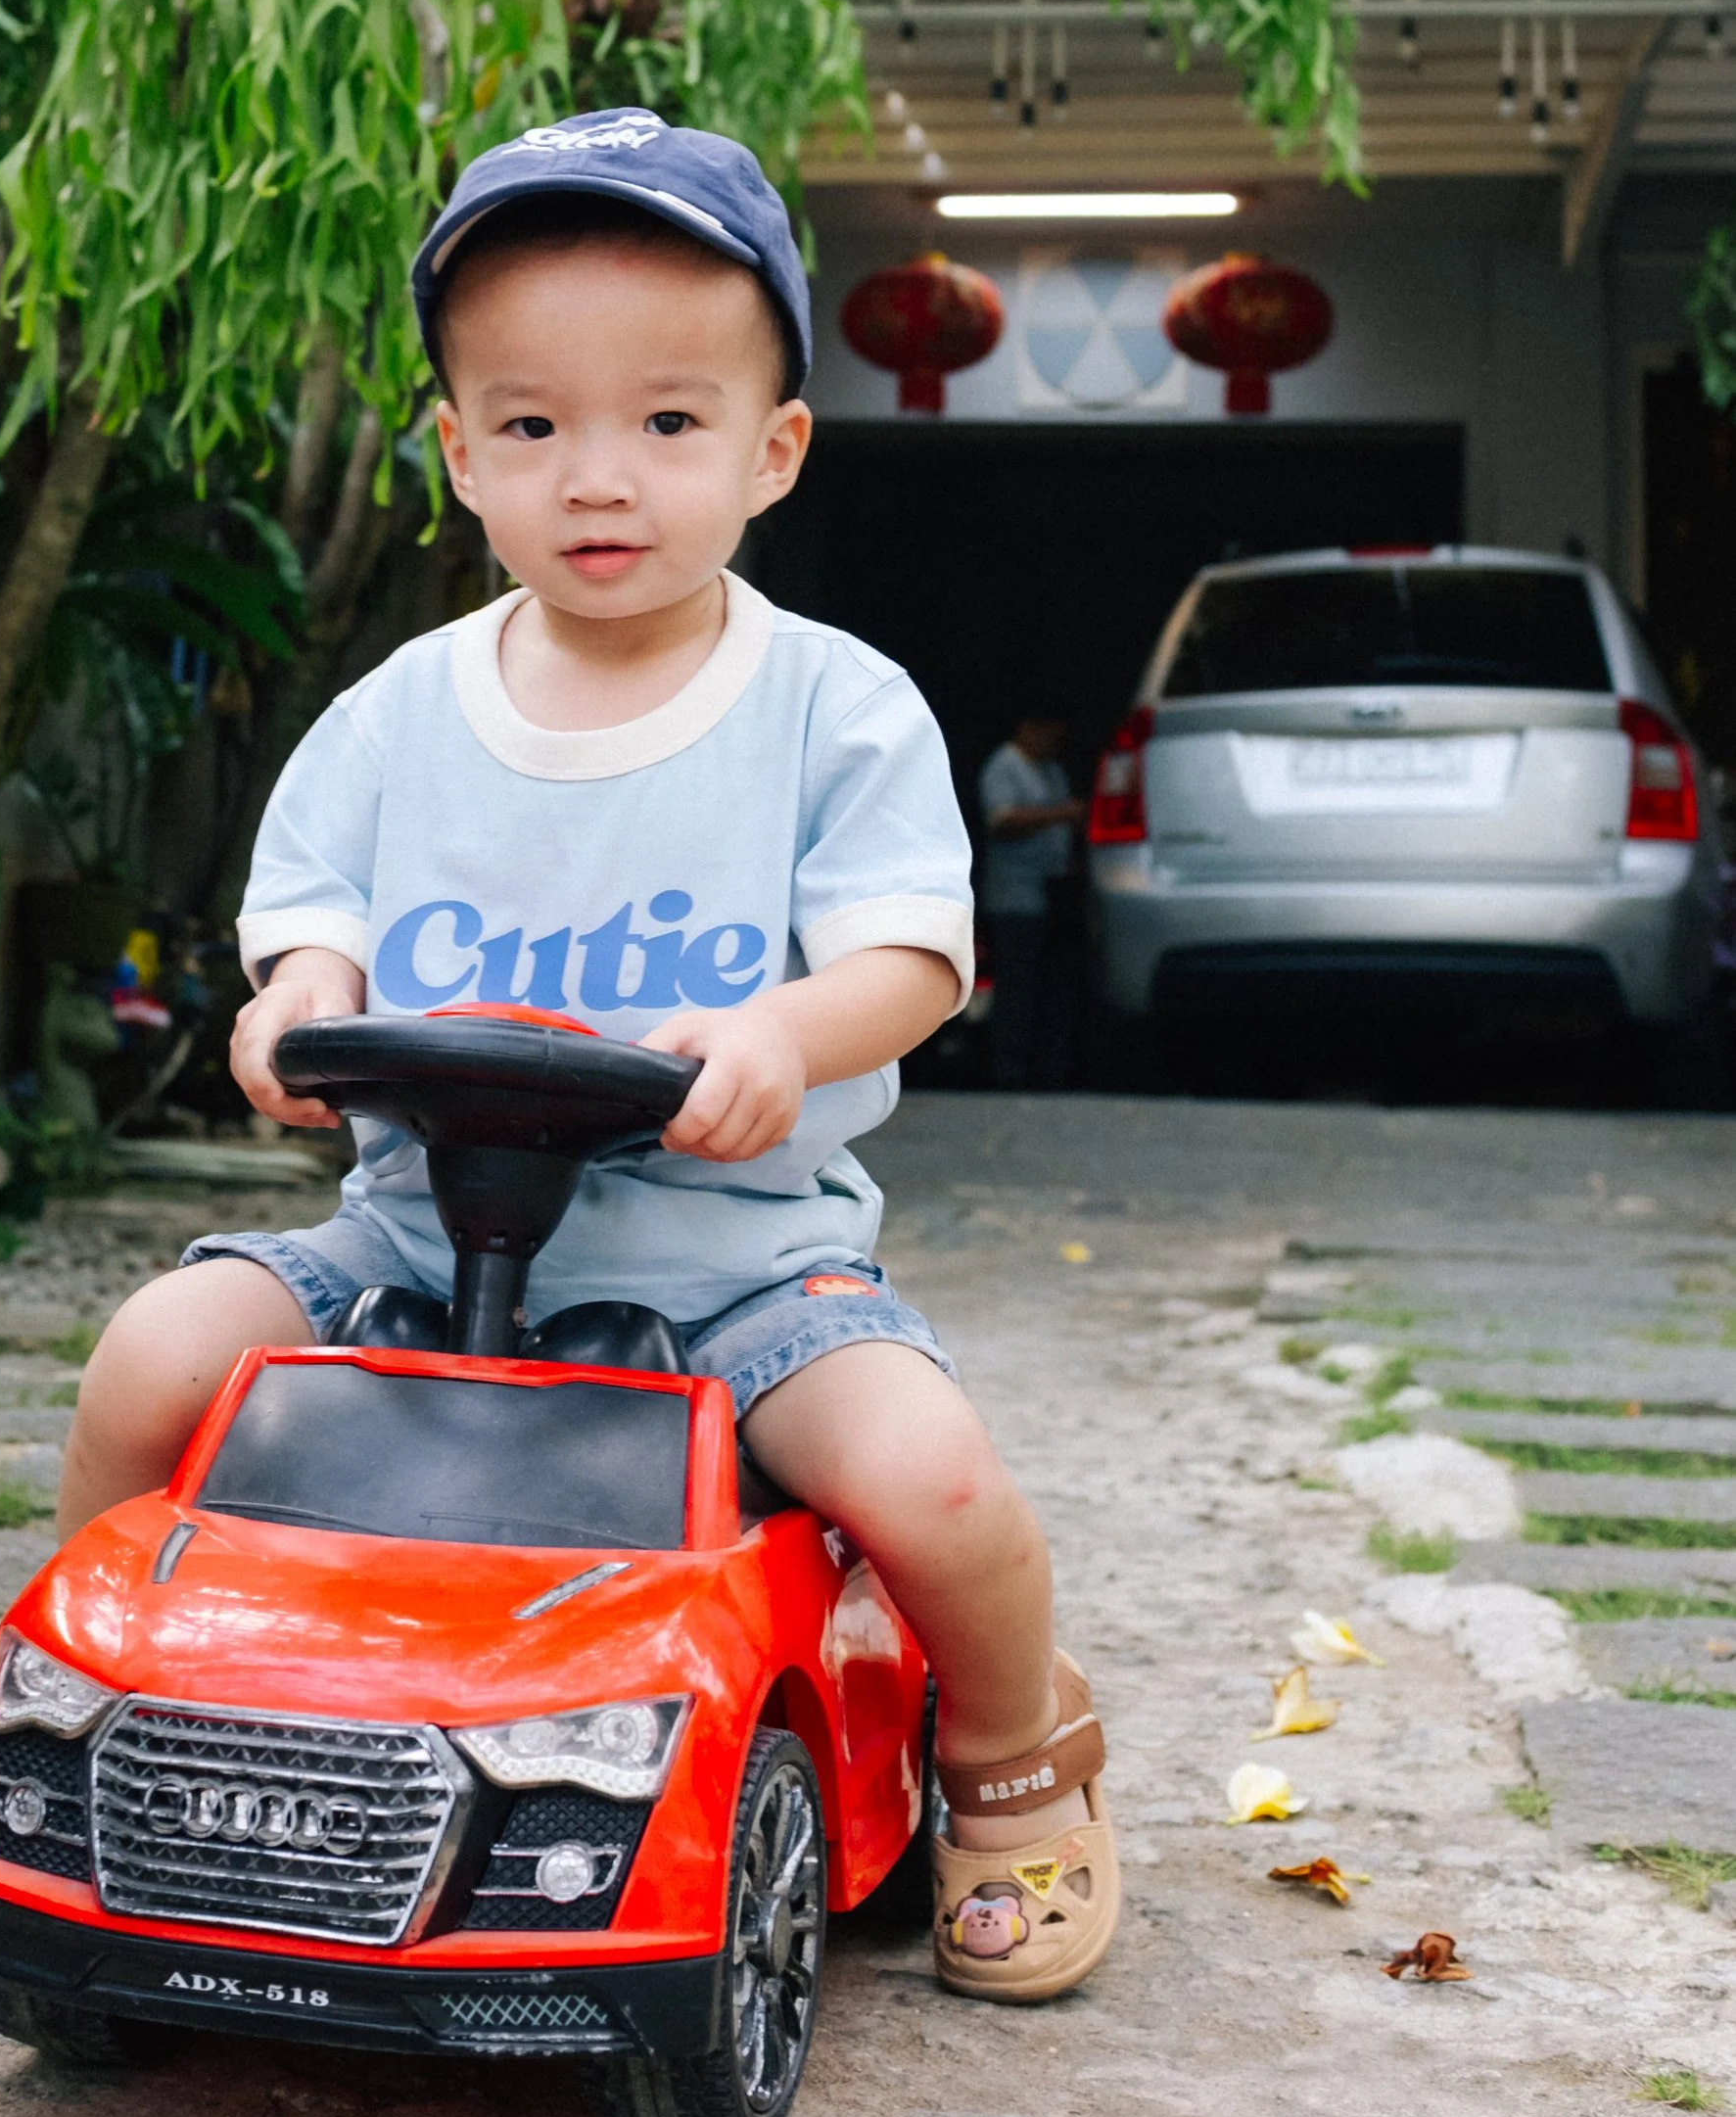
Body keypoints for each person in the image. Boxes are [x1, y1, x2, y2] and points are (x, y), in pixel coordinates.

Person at [56, 111, 1118, 2003]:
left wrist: (788, 1030)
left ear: (773, 449)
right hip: (403, 1245)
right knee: (155, 1354)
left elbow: (914, 956)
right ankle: (113, 1709)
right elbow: (313, 927)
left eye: (669, 423)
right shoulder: (400, 716)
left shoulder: (828, 705)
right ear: (461, 454)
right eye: (533, 426)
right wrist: (294, 1007)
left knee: (934, 1478)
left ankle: (1014, 1757)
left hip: (733, 1272)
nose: (597, 479)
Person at [978, 712, 1085, 1093]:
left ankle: (1049, 1069)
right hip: (1014, 897)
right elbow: (1002, 821)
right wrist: (1061, 814)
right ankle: (1008, 1071)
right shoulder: (1005, 765)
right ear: (1027, 727)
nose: (1053, 744)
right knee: (1016, 987)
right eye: (1048, 734)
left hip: (1053, 894)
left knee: (1053, 985)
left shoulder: (1050, 769)